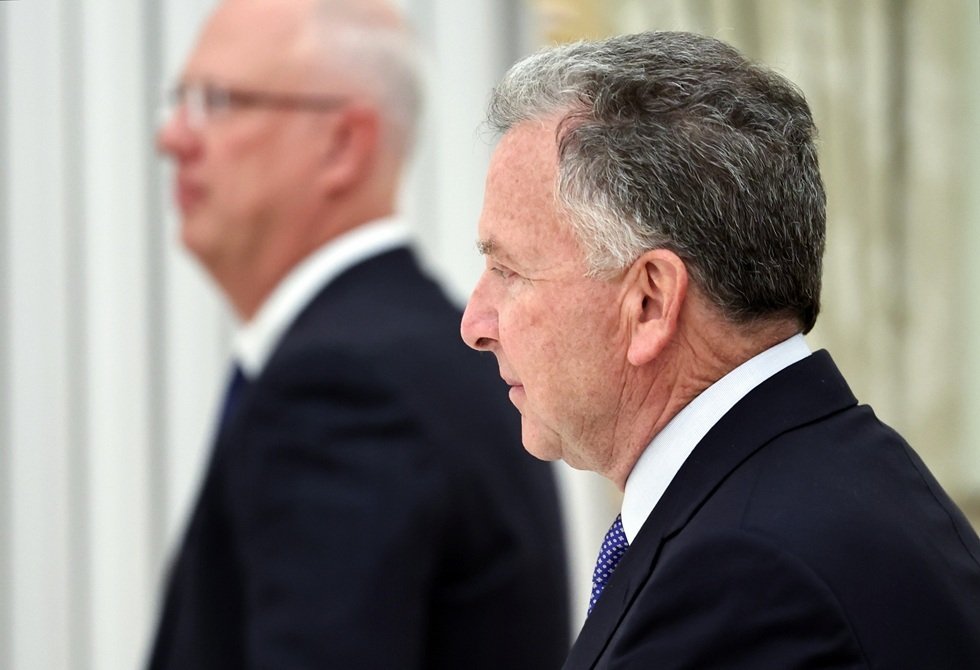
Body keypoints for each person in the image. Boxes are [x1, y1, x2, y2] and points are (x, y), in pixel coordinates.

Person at [461, 30, 980, 669]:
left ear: (649, 302)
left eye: (508, 271)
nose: (475, 324)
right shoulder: (835, 479)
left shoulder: (744, 573)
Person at [149, 0, 570, 668]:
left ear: (343, 145)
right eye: (180, 101)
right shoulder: (429, 349)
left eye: (218, 101)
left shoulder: (342, 387)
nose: (172, 137)